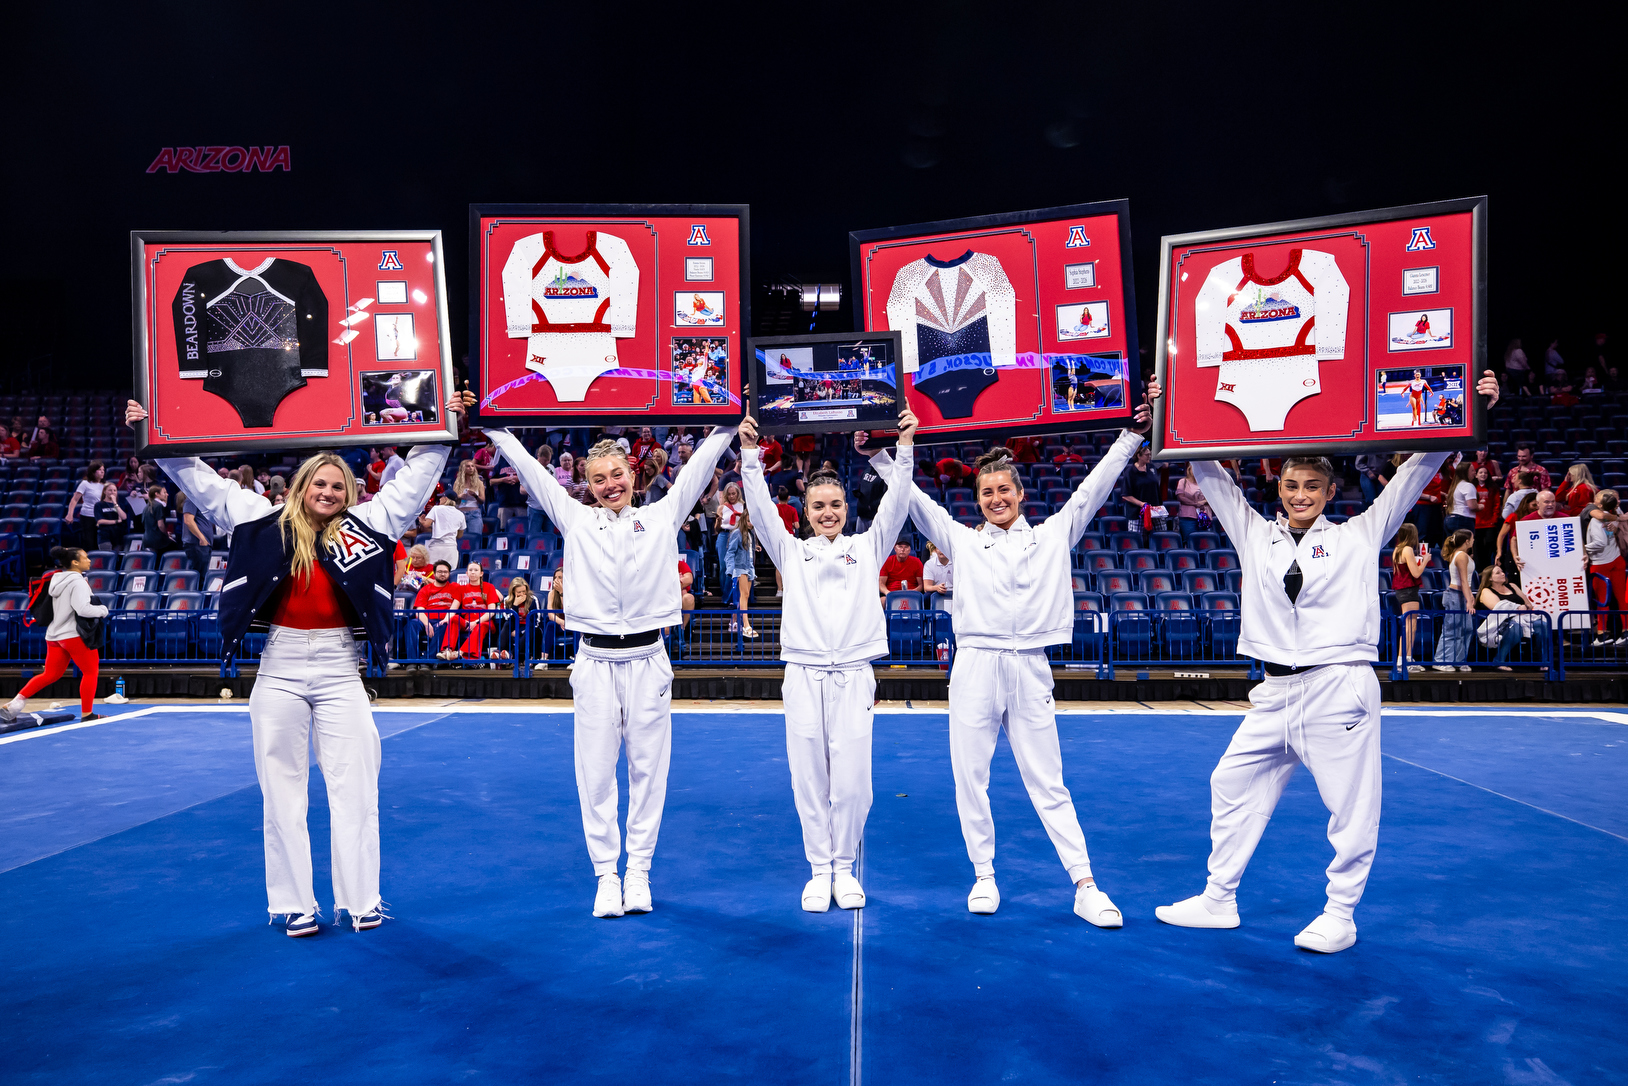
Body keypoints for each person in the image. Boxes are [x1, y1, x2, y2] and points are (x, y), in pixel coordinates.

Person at [1155, 370, 1500, 953]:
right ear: (1280, 486)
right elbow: (1210, 472)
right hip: (1273, 690)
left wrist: (1471, 409)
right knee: (1231, 782)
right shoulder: (1254, 533)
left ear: (1330, 490)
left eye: (1312, 485)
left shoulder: (1360, 534)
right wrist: (1173, 408)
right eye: (1291, 484)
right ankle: (1218, 898)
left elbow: (1416, 470)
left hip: (1338, 687)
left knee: (1349, 804)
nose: (1299, 495)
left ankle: (1341, 913)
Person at [126, 391, 468, 936]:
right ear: (303, 484)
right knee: (281, 789)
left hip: (340, 666)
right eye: (320, 483)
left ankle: (362, 900)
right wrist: (156, 434)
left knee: (356, 784)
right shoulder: (262, 520)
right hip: (278, 665)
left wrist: (446, 421)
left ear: (348, 492)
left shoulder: (370, 523)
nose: (328, 492)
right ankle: (296, 903)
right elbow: (203, 483)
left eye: (338, 486)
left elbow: (417, 479)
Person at [897, 384, 1160, 925]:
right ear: (977, 498)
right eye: (986, 491)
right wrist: (881, 453)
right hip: (974, 666)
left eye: (1004, 490)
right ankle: (984, 875)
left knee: (1048, 779)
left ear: (1020, 494)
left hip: (1031, 667)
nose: (996, 499)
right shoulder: (963, 542)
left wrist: (1132, 435)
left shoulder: (1050, 537)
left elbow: (1092, 489)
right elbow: (916, 504)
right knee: (970, 776)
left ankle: (1084, 883)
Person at [488, 421, 737, 918]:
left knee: (649, 772)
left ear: (633, 472)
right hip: (595, 661)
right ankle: (606, 875)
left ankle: (639, 871)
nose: (610, 485)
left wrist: (728, 423)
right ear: (587, 482)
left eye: (617, 474)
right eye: (598, 478)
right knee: (596, 775)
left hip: (648, 660)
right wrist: (497, 429)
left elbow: (699, 468)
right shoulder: (576, 519)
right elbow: (534, 473)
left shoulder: (663, 515)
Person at [737, 410, 917, 912]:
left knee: (854, 780)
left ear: (846, 506)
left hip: (855, 675)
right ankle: (819, 869)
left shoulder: (868, 545)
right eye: (819, 506)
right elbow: (761, 509)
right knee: (809, 776)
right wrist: (750, 456)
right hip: (803, 674)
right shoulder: (791, 552)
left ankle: (845, 866)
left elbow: (897, 506)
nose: (829, 512)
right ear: (807, 509)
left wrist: (904, 447)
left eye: (836, 503)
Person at [2, 547, 108, 724]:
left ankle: (13, 706)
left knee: (50, 674)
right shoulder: (77, 582)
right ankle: (87, 714)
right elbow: (83, 609)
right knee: (90, 672)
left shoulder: (56, 578)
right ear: (75, 562)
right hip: (73, 635)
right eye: (85, 558)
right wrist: (103, 610)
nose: (89, 560)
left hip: (54, 635)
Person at [1585, 490, 1626, 646]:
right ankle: (1625, 631)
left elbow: (1600, 543)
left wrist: (1583, 547)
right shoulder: (1616, 514)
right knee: (1622, 598)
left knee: (1602, 600)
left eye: (1597, 497)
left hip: (1601, 564)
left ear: (1600, 504)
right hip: (1617, 560)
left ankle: (1602, 635)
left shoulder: (1597, 520)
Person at [1432, 529, 1476, 671]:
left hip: (1463, 594)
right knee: (1452, 628)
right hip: (1455, 595)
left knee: (1466, 628)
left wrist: (1470, 596)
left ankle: (1458, 659)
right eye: (1472, 538)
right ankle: (1441, 660)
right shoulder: (1461, 555)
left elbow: (1467, 581)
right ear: (1466, 541)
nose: (1474, 540)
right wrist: (1468, 600)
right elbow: (1463, 580)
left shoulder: (1464, 555)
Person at [1477, 564, 1535, 670]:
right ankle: (1499, 660)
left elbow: (1529, 605)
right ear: (1490, 578)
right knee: (1515, 626)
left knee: (1543, 625)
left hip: (1524, 618)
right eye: (1498, 573)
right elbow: (1500, 609)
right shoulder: (1486, 591)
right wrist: (1519, 609)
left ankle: (1544, 662)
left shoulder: (1512, 586)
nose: (1503, 574)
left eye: (1502, 571)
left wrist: (1523, 608)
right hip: (1502, 622)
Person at [1391, 523, 1428, 674]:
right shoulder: (1407, 550)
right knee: (1410, 625)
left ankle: (1405, 658)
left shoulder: (1397, 549)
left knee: (1409, 624)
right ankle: (1404, 659)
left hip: (1403, 589)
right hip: (1408, 590)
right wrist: (1425, 560)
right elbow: (1416, 573)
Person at [450, 560, 502, 660]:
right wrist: (445, 619)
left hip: (484, 622)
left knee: (480, 626)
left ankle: (461, 653)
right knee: (454, 619)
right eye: (470, 570)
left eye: (476, 570)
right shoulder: (461, 589)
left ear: (481, 573)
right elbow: (453, 608)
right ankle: (448, 650)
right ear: (466, 573)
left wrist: (476, 622)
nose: (473, 572)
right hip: (466, 622)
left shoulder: (489, 587)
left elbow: (491, 610)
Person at [413, 560, 463, 662]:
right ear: (434, 573)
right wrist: (426, 624)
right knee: (411, 624)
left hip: (444, 620)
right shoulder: (425, 590)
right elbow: (420, 610)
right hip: (426, 620)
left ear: (449, 574)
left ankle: (427, 660)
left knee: (443, 625)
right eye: (439, 572)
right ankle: (412, 660)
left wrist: (495, 590)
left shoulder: (455, 587)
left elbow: (473, 588)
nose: (442, 574)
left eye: (445, 572)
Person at [723, 504, 758, 638]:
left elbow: (749, 551)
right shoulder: (737, 533)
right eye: (749, 521)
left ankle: (735, 621)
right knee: (744, 594)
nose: (751, 524)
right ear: (744, 519)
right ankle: (746, 625)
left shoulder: (750, 534)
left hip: (749, 567)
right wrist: (731, 570)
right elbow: (730, 553)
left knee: (746, 595)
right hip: (739, 567)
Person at [66, 462, 107, 548]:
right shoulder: (85, 484)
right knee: (88, 542)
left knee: (98, 543)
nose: (102, 472)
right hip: (87, 516)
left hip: (100, 517)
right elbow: (74, 500)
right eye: (99, 470)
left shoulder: (104, 485)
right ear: (93, 472)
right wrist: (70, 514)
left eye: (103, 470)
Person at [1472, 464, 1501, 571]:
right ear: (1476, 475)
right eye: (1481, 472)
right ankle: (1479, 571)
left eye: (1485, 473)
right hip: (1476, 523)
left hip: (1490, 523)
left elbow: (1497, 504)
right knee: (1477, 548)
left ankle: (1489, 569)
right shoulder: (1472, 487)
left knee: (1489, 546)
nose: (1483, 474)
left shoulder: (1493, 488)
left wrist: (1494, 519)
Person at [422, 494, 464, 568]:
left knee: (433, 572)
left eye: (441, 497)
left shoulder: (436, 509)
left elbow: (426, 524)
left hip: (436, 547)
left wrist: (421, 521)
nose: (440, 499)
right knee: (449, 572)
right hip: (451, 548)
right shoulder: (460, 514)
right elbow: (460, 535)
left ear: (445, 498)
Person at [182, 493, 217, 579]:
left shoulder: (202, 501)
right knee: (197, 577)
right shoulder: (191, 499)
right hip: (197, 544)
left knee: (202, 576)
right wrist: (201, 538)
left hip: (203, 544)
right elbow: (188, 521)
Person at [1443, 461, 1478, 539]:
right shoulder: (1468, 486)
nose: (1475, 473)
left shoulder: (1455, 486)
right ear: (1465, 473)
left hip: (1450, 519)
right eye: (1472, 470)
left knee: (1452, 548)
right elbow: (1472, 506)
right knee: (1463, 548)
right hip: (1463, 520)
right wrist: (1481, 506)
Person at [1175, 464, 1210, 540]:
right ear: (1189, 469)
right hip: (1188, 518)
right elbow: (1180, 497)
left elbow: (1213, 497)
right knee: (1190, 540)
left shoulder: (1206, 482)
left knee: (1204, 542)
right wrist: (1195, 504)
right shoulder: (1183, 482)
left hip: (1204, 518)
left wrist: (1203, 502)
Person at [142, 484, 179, 556]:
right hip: (157, 541)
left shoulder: (146, 506)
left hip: (147, 540)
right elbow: (160, 525)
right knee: (176, 547)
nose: (167, 495)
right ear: (157, 494)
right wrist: (166, 535)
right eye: (164, 492)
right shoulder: (159, 505)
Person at [453, 460, 487, 536]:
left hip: (474, 514)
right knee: (460, 539)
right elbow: (453, 501)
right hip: (460, 514)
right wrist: (459, 497)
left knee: (475, 538)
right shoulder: (457, 483)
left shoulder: (479, 483)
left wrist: (475, 495)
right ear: (463, 468)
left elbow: (482, 501)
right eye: (468, 466)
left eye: (472, 466)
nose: (471, 468)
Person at [92, 483, 129, 551]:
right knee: (107, 557)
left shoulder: (119, 504)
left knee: (117, 559)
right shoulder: (99, 505)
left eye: (115, 490)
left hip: (118, 536)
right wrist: (116, 521)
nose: (113, 492)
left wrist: (115, 503)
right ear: (104, 491)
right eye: (110, 490)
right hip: (105, 536)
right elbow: (100, 521)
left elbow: (124, 517)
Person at [921, 540, 953, 614]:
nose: (942, 551)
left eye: (944, 549)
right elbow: (926, 587)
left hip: (954, 592)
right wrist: (937, 588)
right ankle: (928, 619)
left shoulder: (956, 563)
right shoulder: (929, 564)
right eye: (939, 548)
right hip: (937, 591)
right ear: (935, 550)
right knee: (926, 596)